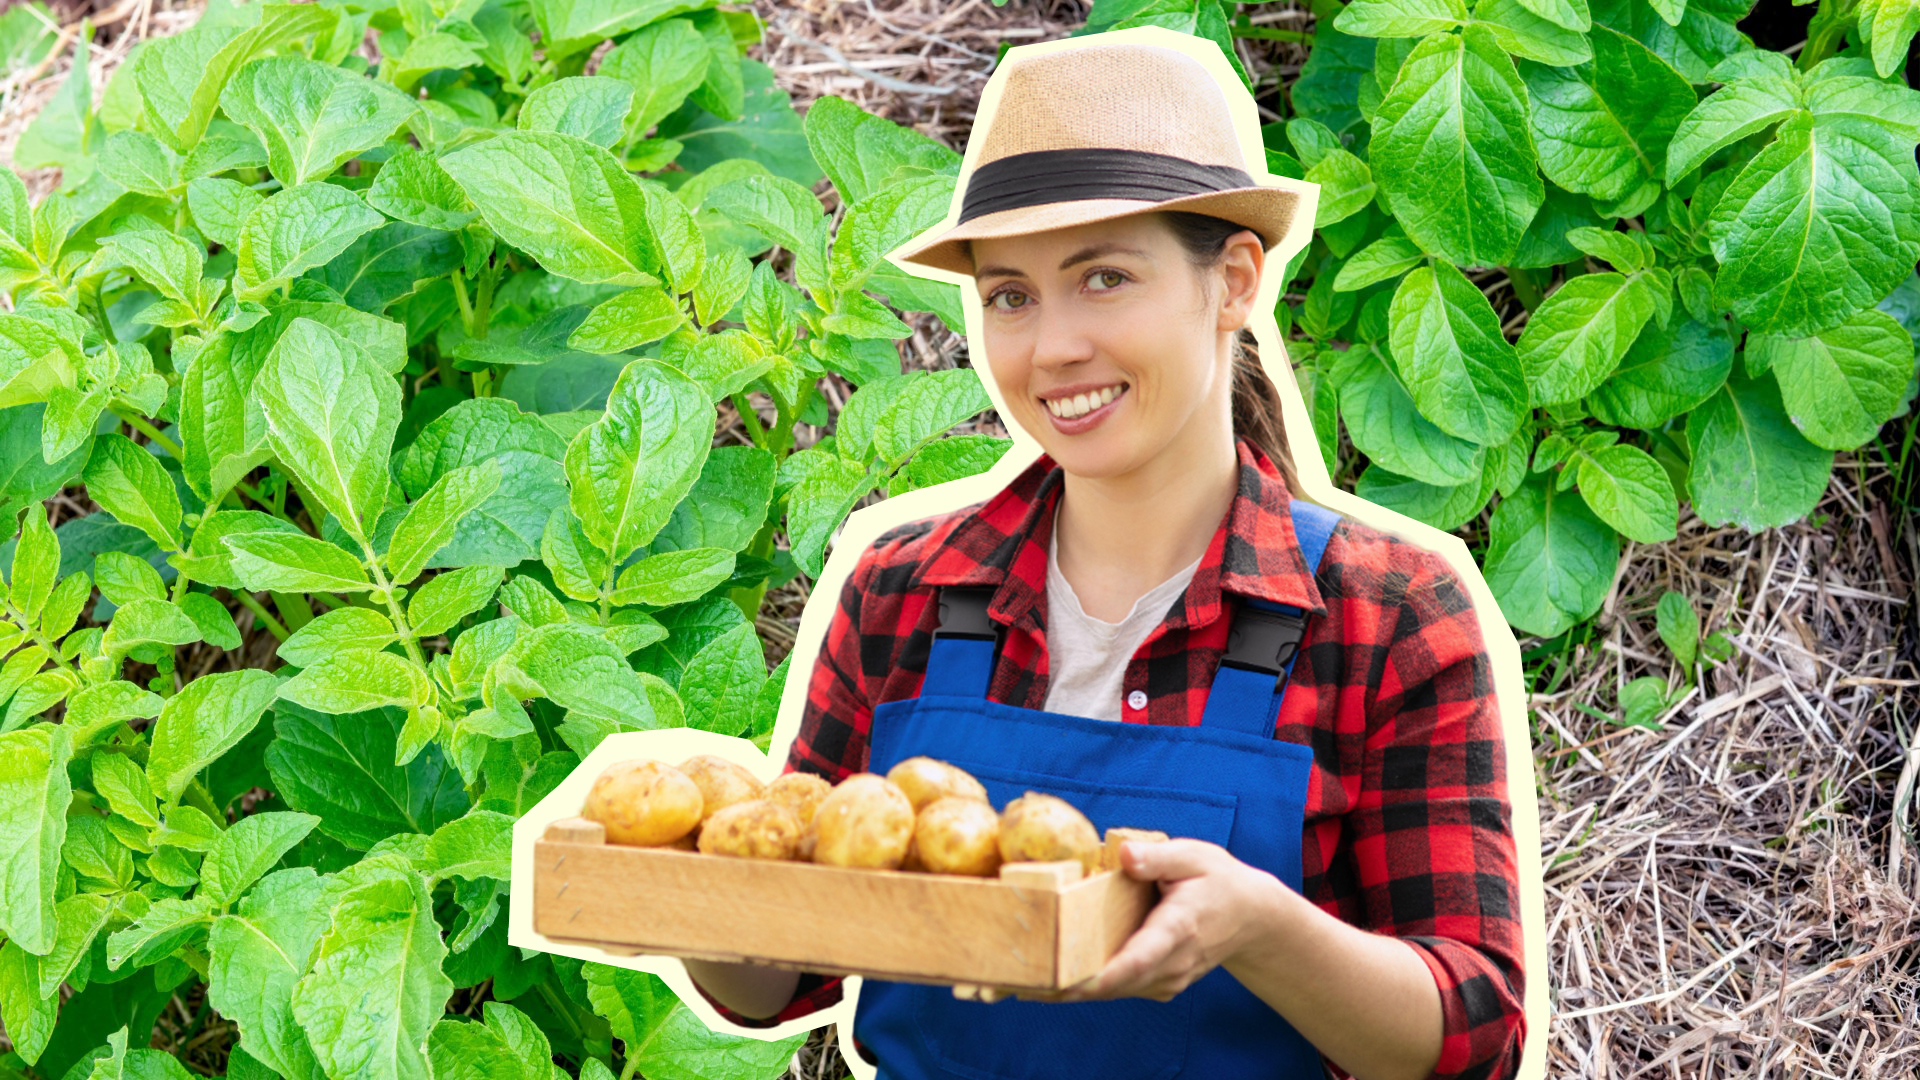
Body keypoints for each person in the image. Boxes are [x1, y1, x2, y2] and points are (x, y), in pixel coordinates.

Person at [684, 34, 1526, 1080]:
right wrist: (688, 890)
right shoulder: (903, 590)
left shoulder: (1386, 614)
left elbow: (1472, 1037)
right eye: (1011, 295)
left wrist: (1263, 931)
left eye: (1104, 278)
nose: (1051, 348)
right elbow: (780, 978)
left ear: (1234, 283)